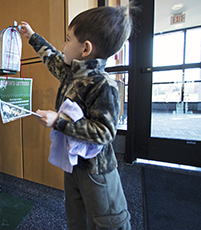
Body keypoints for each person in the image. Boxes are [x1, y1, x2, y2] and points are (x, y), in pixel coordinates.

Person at [18, 5, 133, 230]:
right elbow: (52, 58)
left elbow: (105, 132)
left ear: (85, 49)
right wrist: (32, 36)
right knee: (75, 216)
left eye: (68, 39)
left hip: (97, 171)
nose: (63, 45)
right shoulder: (73, 73)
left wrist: (59, 122)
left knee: (107, 221)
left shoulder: (103, 84)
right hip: (73, 164)